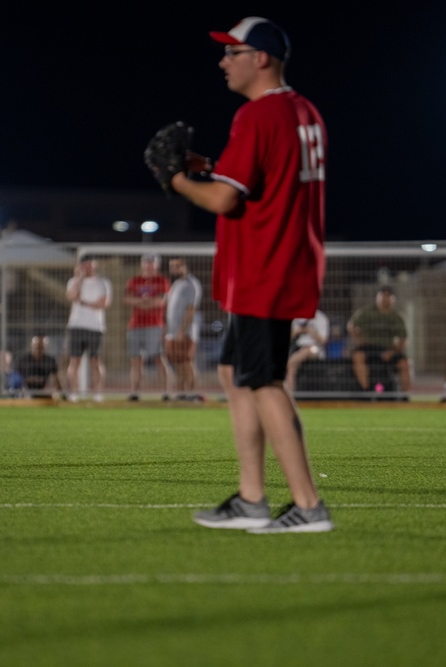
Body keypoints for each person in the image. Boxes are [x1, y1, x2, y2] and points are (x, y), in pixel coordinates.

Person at [159, 17, 332, 532]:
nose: (223, 61)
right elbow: (264, 177)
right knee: (236, 373)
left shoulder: (258, 115)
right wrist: (203, 165)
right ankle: (252, 498)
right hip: (280, 261)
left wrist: (176, 180)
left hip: (264, 268)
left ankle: (307, 504)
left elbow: (223, 197)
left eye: (233, 52)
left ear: (261, 58)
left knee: (264, 380)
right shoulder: (304, 111)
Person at [65, 256, 112, 402]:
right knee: (74, 361)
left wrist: (83, 302)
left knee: (95, 360)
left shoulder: (103, 282)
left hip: (95, 327)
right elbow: (71, 295)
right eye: (84, 264)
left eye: (90, 263)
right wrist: (79, 278)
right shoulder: (73, 281)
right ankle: (74, 393)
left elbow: (103, 303)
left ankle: (98, 393)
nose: (87, 266)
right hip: (76, 326)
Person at [347, 286, 411, 392]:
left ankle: (405, 396)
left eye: (388, 296)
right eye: (382, 296)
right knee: (358, 356)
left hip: (389, 348)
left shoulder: (397, 317)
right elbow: (351, 325)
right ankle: (366, 391)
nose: (385, 299)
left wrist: (392, 351)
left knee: (406, 363)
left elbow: (403, 339)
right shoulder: (367, 312)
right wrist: (359, 340)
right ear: (377, 297)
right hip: (369, 347)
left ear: (393, 299)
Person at [124, 254, 170, 401]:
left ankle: (165, 392)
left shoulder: (162, 280)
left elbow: (161, 301)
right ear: (142, 265)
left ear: (157, 265)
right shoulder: (134, 280)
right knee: (136, 360)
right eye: (146, 263)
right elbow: (127, 298)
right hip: (135, 325)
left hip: (154, 325)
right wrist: (144, 302)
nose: (148, 266)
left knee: (158, 358)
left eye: (151, 263)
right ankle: (135, 392)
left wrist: (142, 303)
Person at [164, 257, 203, 401]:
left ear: (184, 266)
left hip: (185, 332)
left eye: (177, 266)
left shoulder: (191, 284)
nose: (174, 269)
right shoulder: (176, 284)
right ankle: (181, 393)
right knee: (178, 362)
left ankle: (192, 393)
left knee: (187, 362)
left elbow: (191, 309)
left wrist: (182, 330)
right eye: (172, 266)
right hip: (172, 333)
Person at [284, 309, 329, 392]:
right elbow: (287, 337)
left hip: (315, 348)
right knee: (291, 365)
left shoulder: (321, 317)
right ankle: (290, 394)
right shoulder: (296, 317)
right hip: (296, 347)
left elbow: (323, 341)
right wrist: (298, 331)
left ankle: (289, 393)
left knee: (294, 361)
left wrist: (311, 332)